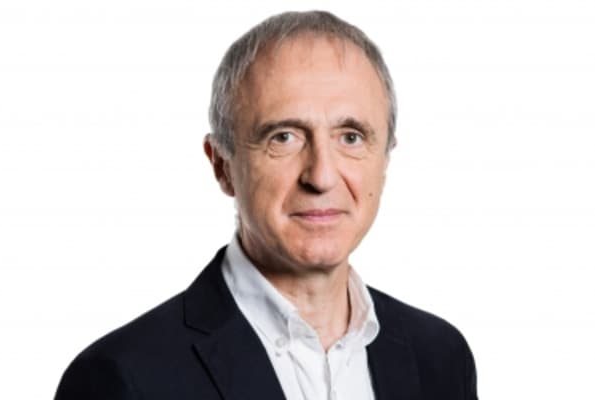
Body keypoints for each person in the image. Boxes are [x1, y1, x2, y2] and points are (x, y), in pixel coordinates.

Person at [55, 10, 478, 400]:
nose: (321, 176)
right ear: (222, 166)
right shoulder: (121, 378)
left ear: (384, 159)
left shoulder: (441, 358)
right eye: (283, 137)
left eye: (351, 137)